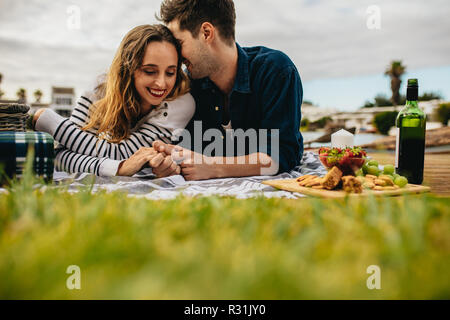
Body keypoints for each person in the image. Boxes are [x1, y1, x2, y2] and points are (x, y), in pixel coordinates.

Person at [154, 0, 304, 180]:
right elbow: (187, 149)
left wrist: (214, 167)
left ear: (206, 33)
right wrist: (170, 163)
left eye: (179, 44)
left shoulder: (276, 71)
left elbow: (283, 153)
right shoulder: (191, 86)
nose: (177, 57)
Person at [34, 24, 195, 177]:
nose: (161, 83)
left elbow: (124, 154)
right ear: (129, 67)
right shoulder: (100, 89)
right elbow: (61, 157)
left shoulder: (181, 103)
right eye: (150, 71)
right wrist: (119, 168)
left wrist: (47, 121)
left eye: (170, 73)